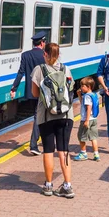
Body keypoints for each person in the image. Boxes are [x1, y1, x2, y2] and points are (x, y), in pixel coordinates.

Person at [31, 43, 75, 198]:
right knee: (64, 150)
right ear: (58, 55)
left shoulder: (39, 70)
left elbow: (35, 93)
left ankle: (48, 185)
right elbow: (70, 91)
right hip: (65, 115)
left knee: (48, 150)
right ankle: (67, 186)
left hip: (46, 115)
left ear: (45, 54)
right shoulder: (66, 69)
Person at [10, 31, 47, 156]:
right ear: (42, 42)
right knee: (41, 117)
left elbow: (20, 73)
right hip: (45, 91)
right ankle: (34, 145)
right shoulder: (45, 55)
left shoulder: (25, 55)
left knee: (39, 115)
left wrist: (14, 88)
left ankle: (37, 143)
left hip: (32, 91)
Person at [72, 76, 100, 162]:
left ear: (89, 87)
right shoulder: (93, 94)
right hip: (94, 119)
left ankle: (83, 153)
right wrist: (80, 95)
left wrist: (86, 120)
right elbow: (83, 104)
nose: (81, 88)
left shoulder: (87, 96)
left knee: (81, 137)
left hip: (87, 119)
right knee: (93, 137)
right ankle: (96, 154)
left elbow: (88, 108)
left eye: (82, 86)